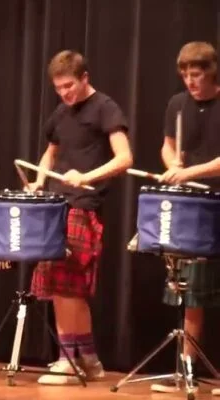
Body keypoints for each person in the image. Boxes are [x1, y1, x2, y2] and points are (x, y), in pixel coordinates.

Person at [24, 50, 133, 385]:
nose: (64, 93)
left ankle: (68, 361)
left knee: (69, 286)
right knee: (61, 286)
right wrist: (39, 180)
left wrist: (86, 177)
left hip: (83, 205)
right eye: (58, 88)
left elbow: (124, 158)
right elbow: (51, 152)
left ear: (85, 77)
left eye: (69, 86)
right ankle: (88, 360)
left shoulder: (105, 108)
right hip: (56, 205)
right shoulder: (61, 113)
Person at [150, 41, 220, 396]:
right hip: (193, 207)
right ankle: (186, 371)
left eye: (197, 74)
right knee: (191, 290)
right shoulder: (177, 104)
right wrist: (172, 164)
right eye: (186, 75)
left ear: (212, 71)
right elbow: (167, 144)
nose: (191, 81)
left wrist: (191, 170)